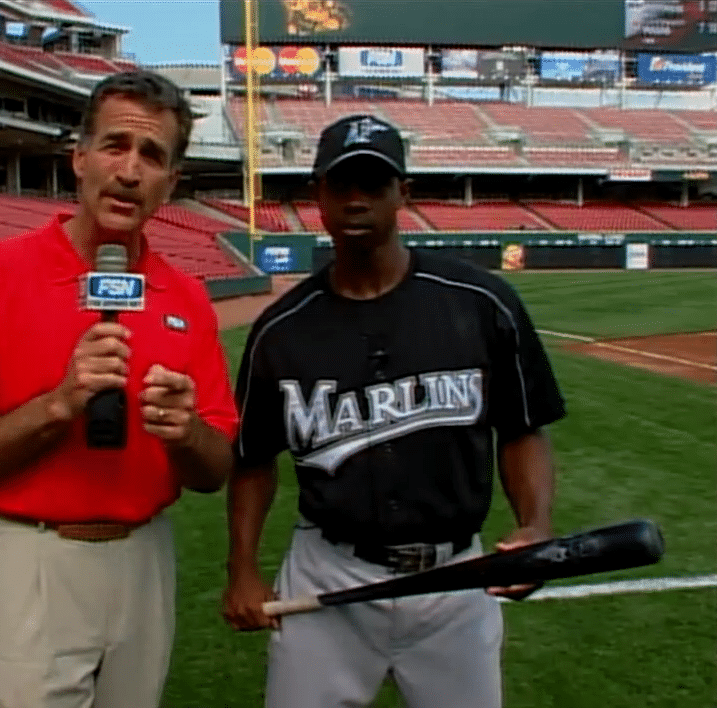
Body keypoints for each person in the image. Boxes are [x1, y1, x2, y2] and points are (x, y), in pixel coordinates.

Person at [222, 114, 566, 708]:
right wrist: (243, 569)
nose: (357, 200)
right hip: (328, 574)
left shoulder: (483, 303)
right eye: (341, 184)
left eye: (374, 184)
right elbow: (252, 460)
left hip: (456, 579)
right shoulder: (281, 331)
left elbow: (522, 429)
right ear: (318, 197)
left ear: (401, 193)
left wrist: (534, 525)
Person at [0, 71, 238, 708]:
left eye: (151, 155)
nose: (129, 169)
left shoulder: (187, 297)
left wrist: (187, 434)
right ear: (79, 158)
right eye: (114, 145)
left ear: (171, 183)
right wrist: (60, 404)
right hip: (31, 554)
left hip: (145, 556)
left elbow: (214, 471)